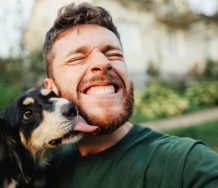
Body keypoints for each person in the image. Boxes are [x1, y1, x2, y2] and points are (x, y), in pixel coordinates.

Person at [42, 2, 218, 188]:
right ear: (51, 89)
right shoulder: (43, 169)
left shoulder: (187, 165)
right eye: (77, 58)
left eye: (114, 54)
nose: (103, 63)